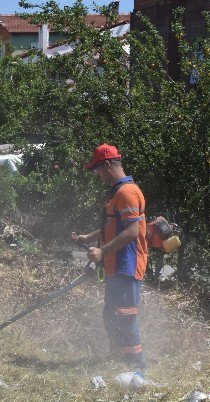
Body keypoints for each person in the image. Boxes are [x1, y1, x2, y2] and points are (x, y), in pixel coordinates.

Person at [72, 143, 148, 369]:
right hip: (116, 266)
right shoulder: (118, 192)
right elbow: (114, 226)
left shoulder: (126, 193)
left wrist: (102, 250)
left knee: (124, 317)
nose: (97, 176)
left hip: (127, 264)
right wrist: (89, 237)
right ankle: (118, 359)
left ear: (106, 165)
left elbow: (132, 232)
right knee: (111, 316)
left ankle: (136, 366)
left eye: (97, 170)